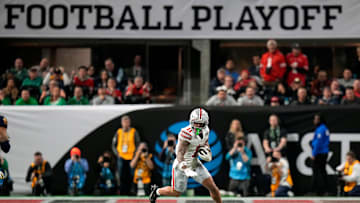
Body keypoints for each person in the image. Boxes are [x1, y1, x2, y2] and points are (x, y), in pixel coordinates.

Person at [150, 108, 222, 203]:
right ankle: (157, 191)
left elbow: (205, 142)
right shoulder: (185, 133)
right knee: (176, 192)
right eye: (195, 123)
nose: (198, 127)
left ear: (206, 123)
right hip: (182, 164)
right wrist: (184, 167)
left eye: (201, 124)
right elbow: (179, 152)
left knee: (213, 188)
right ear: (191, 122)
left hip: (195, 163)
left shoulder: (206, 131)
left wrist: (207, 150)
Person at [112, 115, 140, 195]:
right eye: (124, 122)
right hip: (121, 156)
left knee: (132, 175)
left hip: (131, 156)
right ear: (122, 123)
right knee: (121, 175)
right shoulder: (119, 132)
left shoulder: (134, 131)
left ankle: (132, 190)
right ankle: (121, 191)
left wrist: (135, 154)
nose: (126, 124)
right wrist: (117, 154)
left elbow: (137, 143)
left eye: (127, 122)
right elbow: (113, 144)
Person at [311, 113, 330, 196]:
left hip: (320, 153)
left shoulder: (321, 129)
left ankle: (316, 191)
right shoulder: (324, 128)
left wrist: (314, 153)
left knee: (317, 172)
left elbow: (318, 142)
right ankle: (325, 190)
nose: (315, 121)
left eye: (316, 119)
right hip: (323, 152)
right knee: (322, 171)